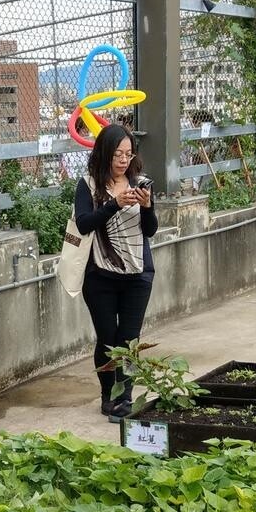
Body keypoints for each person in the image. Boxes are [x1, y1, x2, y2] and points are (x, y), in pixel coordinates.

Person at [73, 123, 157, 421]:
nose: (124, 160)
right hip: (100, 277)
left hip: (138, 275)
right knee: (107, 340)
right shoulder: (88, 185)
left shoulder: (142, 182)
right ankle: (108, 394)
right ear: (104, 153)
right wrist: (114, 204)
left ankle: (125, 398)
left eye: (129, 154)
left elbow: (150, 230)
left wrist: (147, 208)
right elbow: (84, 223)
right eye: (118, 154)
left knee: (129, 341)